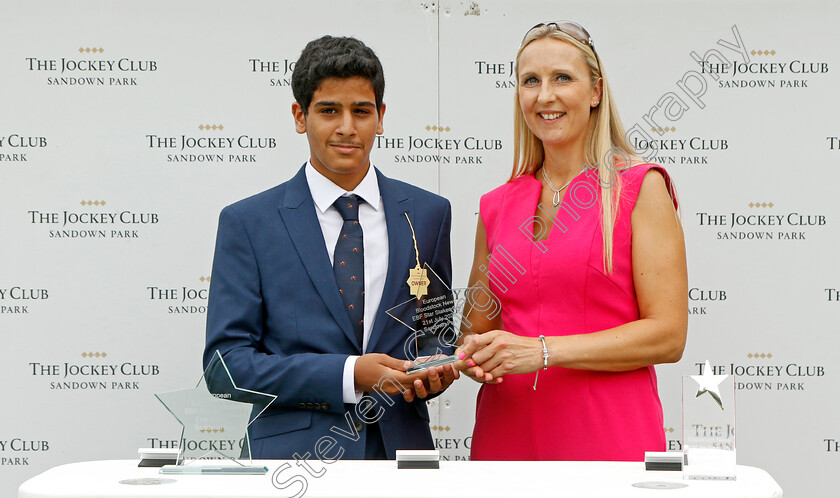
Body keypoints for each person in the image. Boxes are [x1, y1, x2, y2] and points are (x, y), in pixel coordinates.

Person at [204, 35, 458, 460]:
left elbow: (435, 331)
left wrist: (435, 368)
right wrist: (348, 374)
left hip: (401, 456)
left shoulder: (429, 214)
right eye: (328, 111)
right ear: (299, 116)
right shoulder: (249, 222)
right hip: (290, 463)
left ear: (380, 117)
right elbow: (225, 366)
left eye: (361, 111)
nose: (346, 127)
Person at [455, 21, 688, 461]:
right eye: (531, 81)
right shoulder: (497, 205)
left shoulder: (640, 187)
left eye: (562, 78)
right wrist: (460, 357)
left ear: (596, 90)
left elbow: (669, 336)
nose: (545, 95)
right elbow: (476, 333)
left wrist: (543, 351)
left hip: (608, 438)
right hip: (504, 441)